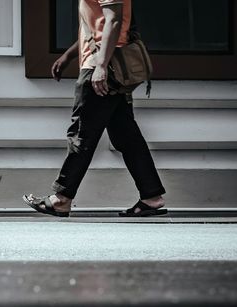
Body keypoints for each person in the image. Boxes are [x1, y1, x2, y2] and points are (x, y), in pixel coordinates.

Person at [23, 0, 167, 217]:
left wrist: (100, 66)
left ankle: (61, 199)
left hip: (103, 69)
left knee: (81, 134)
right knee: (127, 136)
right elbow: (96, 27)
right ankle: (151, 196)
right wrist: (69, 56)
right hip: (105, 65)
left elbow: (114, 20)